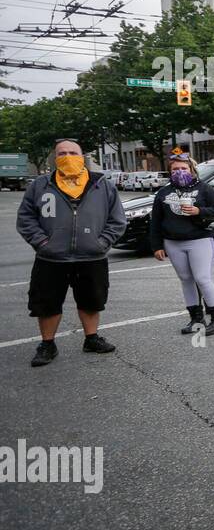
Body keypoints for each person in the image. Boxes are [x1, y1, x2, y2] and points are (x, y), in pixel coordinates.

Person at [16, 138, 126, 367]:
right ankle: (47, 344)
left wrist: (102, 242)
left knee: (91, 301)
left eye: (73, 152)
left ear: (82, 156)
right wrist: (43, 242)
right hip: (51, 258)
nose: (68, 157)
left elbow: (117, 220)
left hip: (92, 256)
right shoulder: (40, 185)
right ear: (55, 159)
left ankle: (91, 338)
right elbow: (26, 218)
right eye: (62, 153)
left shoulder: (102, 184)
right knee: (46, 303)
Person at [149, 153, 214, 335]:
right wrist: (156, 245)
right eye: (175, 169)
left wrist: (198, 210)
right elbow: (155, 222)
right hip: (173, 243)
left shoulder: (204, 188)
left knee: (202, 278)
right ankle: (195, 318)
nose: (179, 172)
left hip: (199, 240)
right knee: (186, 280)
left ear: (191, 170)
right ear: (170, 171)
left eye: (183, 168)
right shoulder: (164, 192)